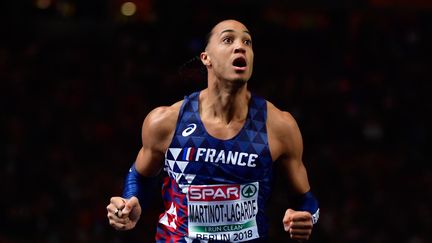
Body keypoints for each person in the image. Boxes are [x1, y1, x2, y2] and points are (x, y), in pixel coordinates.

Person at [106, 19, 319, 242]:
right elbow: (140, 176)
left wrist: (307, 218)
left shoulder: (279, 126)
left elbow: (306, 200)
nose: (240, 46)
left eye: (247, 41)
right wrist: (130, 201)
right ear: (206, 58)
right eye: (228, 39)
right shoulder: (166, 121)